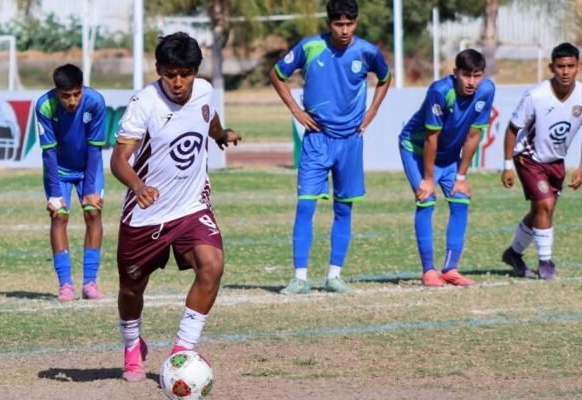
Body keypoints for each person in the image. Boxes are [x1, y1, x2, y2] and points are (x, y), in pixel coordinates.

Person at [111, 32, 241, 382]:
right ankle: (132, 344)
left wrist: (221, 135)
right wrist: (138, 186)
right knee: (131, 288)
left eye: (186, 74)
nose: (179, 82)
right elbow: (119, 160)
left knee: (212, 266)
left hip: (190, 206)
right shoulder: (144, 104)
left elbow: (208, 116)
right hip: (145, 214)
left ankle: (182, 350)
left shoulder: (204, 91)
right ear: (159, 70)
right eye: (171, 74)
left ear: (196, 71)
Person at [270, 0, 391, 295]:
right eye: (339, 24)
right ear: (329, 24)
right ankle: (300, 278)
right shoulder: (310, 47)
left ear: (356, 23)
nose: (345, 30)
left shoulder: (367, 51)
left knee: (344, 208)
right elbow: (277, 74)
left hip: (350, 141)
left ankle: (334, 276)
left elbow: (385, 78)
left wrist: (372, 112)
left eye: (350, 24)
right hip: (317, 139)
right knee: (305, 205)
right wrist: (297, 111)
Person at [398, 49, 495, 287]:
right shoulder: (440, 91)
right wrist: (427, 179)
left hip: (449, 155)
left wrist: (461, 176)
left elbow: (474, 135)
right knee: (426, 199)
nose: (472, 82)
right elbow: (431, 137)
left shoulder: (486, 90)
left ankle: (451, 269)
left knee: (460, 200)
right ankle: (428, 271)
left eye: (477, 76)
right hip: (417, 149)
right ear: (455, 73)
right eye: (466, 75)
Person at [501, 42, 582, 280]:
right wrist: (507, 165)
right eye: (560, 66)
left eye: (570, 66)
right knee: (545, 204)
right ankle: (546, 264)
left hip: (556, 160)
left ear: (578, 67)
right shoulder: (536, 95)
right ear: (551, 68)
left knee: (541, 210)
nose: (565, 71)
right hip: (528, 156)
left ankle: (513, 254)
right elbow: (512, 129)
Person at [34, 64, 107, 302]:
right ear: (57, 92)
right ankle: (65, 285)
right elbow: (48, 152)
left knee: (93, 213)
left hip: (89, 169)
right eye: (66, 96)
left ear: (82, 89)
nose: (72, 101)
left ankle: (90, 284)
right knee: (59, 216)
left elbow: (95, 149)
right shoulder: (44, 105)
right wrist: (55, 193)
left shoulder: (95, 102)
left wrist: (90, 190)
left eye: (77, 94)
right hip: (59, 170)